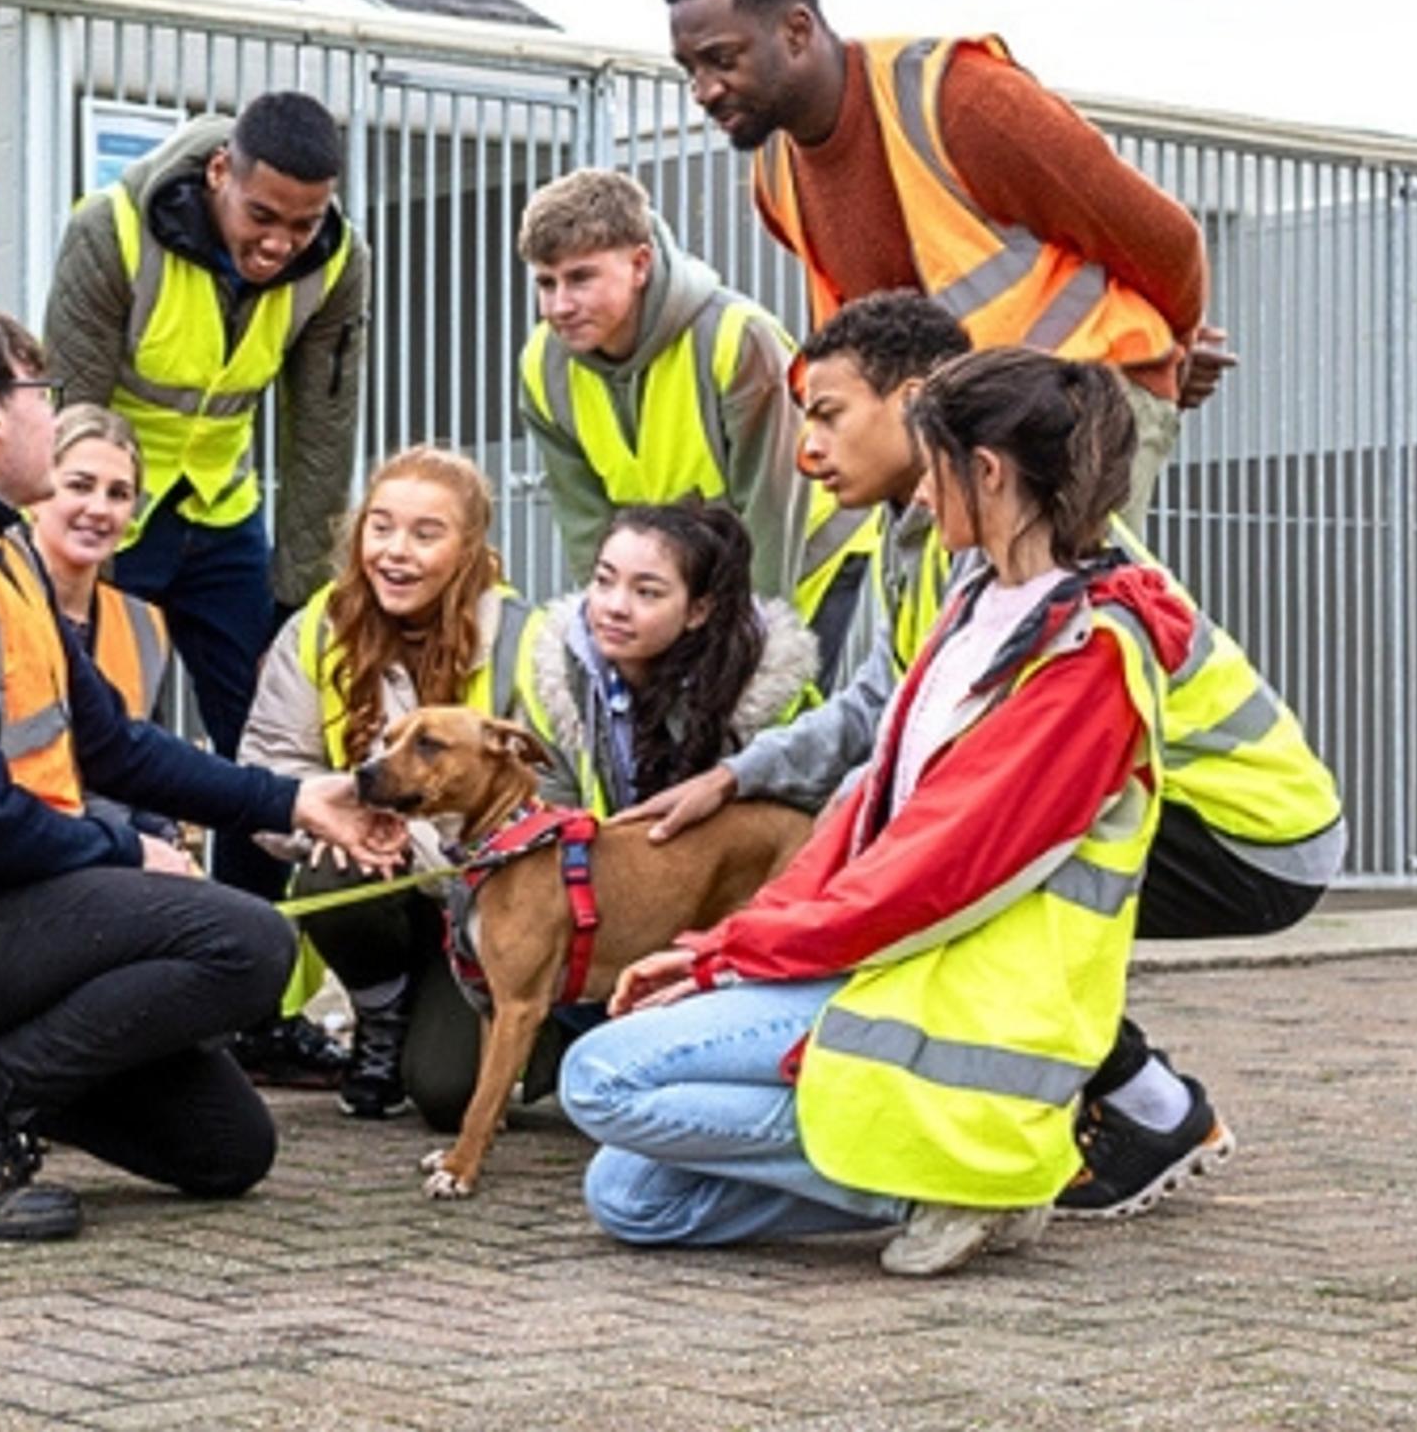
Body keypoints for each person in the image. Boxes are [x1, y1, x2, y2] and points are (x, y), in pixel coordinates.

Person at [630, 289, 1344, 1222]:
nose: (809, 449)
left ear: (920, 409)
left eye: (830, 414)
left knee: (982, 896)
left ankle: (1083, 1129)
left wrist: (791, 914)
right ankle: (1144, 1110)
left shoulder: (1028, 561)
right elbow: (888, 713)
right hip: (1194, 810)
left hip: (1244, 828)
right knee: (961, 886)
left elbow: (939, 783)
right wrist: (735, 777)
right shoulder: (927, 540)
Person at [559, 349, 1192, 1276]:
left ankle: (961, 1174)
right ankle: (910, 1173)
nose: (922, 499)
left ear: (986, 472)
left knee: (600, 1075)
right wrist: (722, 948)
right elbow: (865, 814)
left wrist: (736, 957)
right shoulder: (977, 602)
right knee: (631, 1196)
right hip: (896, 976)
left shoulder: (1088, 654)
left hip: (952, 1004)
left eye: (933, 470)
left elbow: (935, 870)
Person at [0, 304, 405, 1243]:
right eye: (42, 394)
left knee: (224, 1150)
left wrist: (294, 799)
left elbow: (114, 747)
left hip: (4, 913)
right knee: (247, 946)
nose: (57, 412)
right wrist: (126, 851)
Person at [662, 0, 1234, 533]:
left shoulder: (959, 100)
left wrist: (1175, 348)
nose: (703, 90)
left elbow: (1163, 239)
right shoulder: (775, 177)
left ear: (797, 32)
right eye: (689, 68)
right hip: (959, 433)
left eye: (722, 60)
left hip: (1076, 406)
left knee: (1060, 618)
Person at [46, 93, 370, 1084]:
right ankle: (98, 995)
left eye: (303, 222)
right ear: (221, 174)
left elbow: (321, 428)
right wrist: (78, 543)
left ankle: (256, 1008)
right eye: (264, 216)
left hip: (223, 515)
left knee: (270, 742)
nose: (281, 242)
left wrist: (300, 582)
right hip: (115, 517)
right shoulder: (110, 232)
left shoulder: (338, 265)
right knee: (96, 741)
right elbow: (75, 400)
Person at [240, 446, 540, 1125]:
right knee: (327, 863)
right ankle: (380, 1014)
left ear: (470, 548)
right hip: (376, 882)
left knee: (446, 1094)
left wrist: (424, 838)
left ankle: (519, 1023)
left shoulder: (527, 640)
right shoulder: (316, 629)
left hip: (489, 897)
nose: (396, 552)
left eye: (426, 534)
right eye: (381, 527)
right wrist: (343, 815)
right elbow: (265, 774)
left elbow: (563, 801)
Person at [512, 169, 874, 692]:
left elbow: (774, 510)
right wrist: (616, 621)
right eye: (546, 283)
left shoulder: (736, 339)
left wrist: (750, 646)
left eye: (581, 278)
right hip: (678, 579)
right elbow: (586, 525)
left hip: (804, 559)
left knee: (773, 731)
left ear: (640, 264)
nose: (559, 305)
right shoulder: (543, 366)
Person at [512, 504, 822, 822]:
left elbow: (793, 825)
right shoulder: (553, 680)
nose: (615, 607)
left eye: (646, 592)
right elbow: (549, 820)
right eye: (604, 581)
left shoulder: (768, 693)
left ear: (698, 611)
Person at [33, 404, 184, 844]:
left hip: (117, 853)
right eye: (80, 486)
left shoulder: (145, 625)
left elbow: (148, 769)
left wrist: (161, 835)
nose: (99, 509)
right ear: (38, 493)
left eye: (119, 494)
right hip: (30, 848)